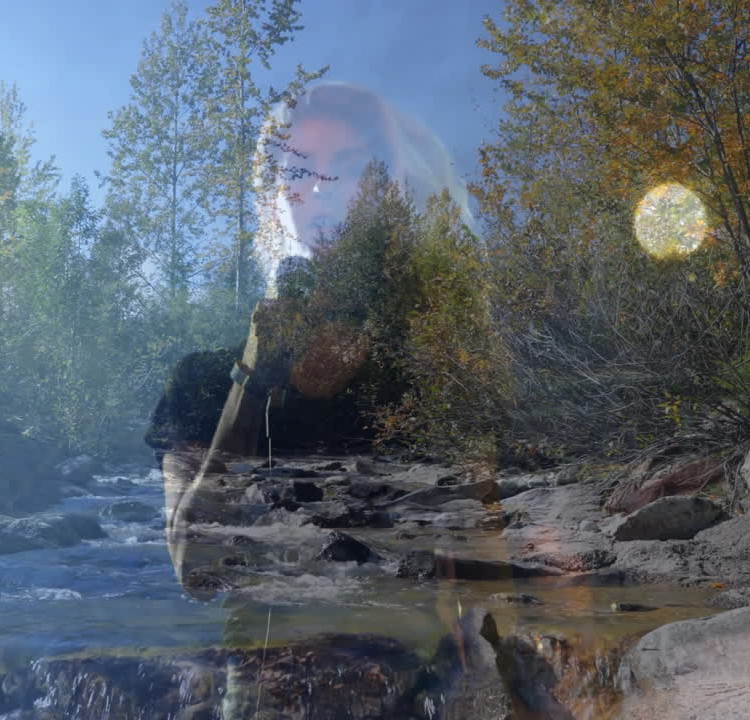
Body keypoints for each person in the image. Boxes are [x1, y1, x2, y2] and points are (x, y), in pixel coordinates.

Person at [144, 81, 482, 717]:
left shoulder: (425, 372)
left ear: (387, 189)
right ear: (276, 196)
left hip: (413, 688)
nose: (323, 190)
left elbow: (476, 553)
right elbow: (196, 571)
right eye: (299, 169)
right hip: (267, 694)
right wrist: (251, 375)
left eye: (351, 167)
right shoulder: (203, 380)